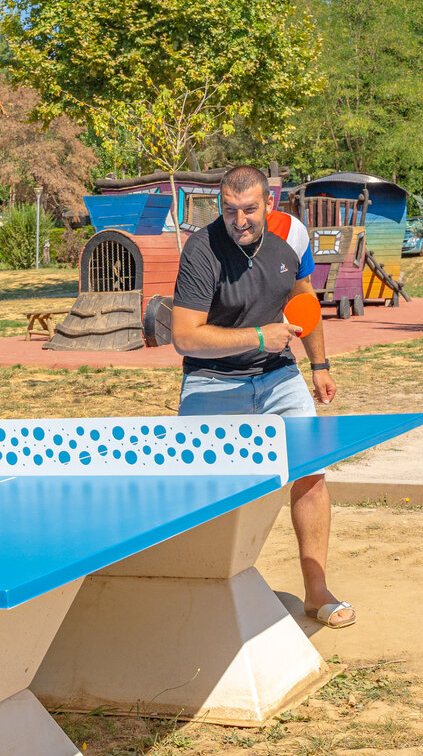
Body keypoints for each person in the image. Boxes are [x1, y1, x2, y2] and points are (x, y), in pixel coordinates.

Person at [171, 165, 352, 629]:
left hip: (279, 378)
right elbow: (185, 338)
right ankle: (200, 594)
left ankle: (316, 590)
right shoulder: (200, 250)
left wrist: (320, 365)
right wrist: (256, 336)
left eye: (249, 210)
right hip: (212, 385)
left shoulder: (291, 238)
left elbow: (303, 302)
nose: (240, 220)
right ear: (219, 207)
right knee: (202, 492)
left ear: (268, 204)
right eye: (230, 211)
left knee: (311, 475)